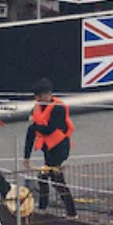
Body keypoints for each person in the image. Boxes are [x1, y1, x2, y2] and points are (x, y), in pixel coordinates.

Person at [23, 78, 77, 217]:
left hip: (60, 148)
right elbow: (30, 134)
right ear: (37, 97)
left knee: (54, 178)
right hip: (48, 149)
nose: (46, 97)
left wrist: (34, 126)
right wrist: (26, 156)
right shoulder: (36, 109)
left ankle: (69, 212)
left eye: (48, 94)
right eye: (42, 95)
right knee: (47, 178)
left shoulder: (58, 108)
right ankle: (46, 208)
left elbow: (50, 129)